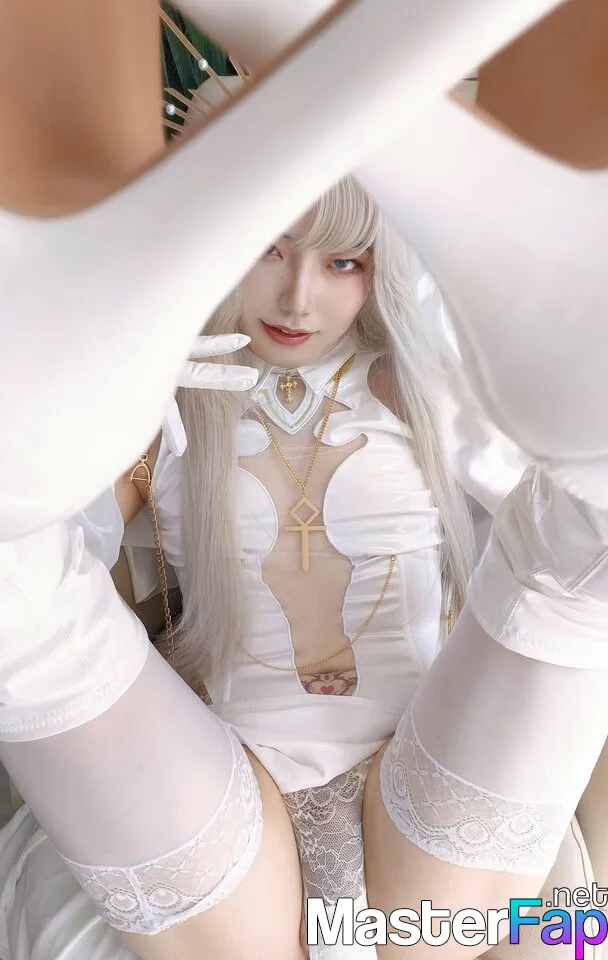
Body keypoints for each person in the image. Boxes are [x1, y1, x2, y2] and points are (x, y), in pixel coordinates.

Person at [0, 2, 607, 960]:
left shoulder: (420, 392)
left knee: (26, 619)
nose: (297, 297)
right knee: (570, 572)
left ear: (377, 271)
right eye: (268, 248)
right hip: (302, 803)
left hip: (299, 816)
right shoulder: (176, 405)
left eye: (342, 261)